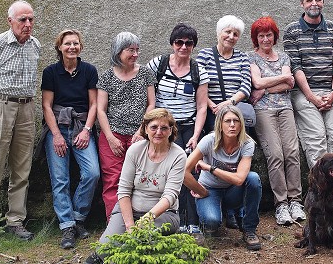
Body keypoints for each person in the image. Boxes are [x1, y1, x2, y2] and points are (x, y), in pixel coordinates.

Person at [84, 108, 187, 264]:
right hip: (128, 210)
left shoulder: (178, 155)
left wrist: (146, 220)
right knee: (105, 249)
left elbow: (170, 196)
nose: (158, 132)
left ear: (171, 130)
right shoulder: (135, 150)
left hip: (163, 215)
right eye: (154, 127)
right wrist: (130, 225)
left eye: (164, 128)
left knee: (134, 248)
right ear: (146, 128)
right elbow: (123, 190)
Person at [282, 0, 333, 214]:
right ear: (302, 4)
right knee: (317, 139)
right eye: (310, 0)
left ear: (323, 2)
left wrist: (332, 94)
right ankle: (320, 191)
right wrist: (312, 96)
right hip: (305, 93)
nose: (314, 3)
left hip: (331, 92)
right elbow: (296, 66)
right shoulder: (292, 31)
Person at [0, 0, 40, 241]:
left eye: (31, 19)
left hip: (26, 108)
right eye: (22, 19)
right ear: (10, 20)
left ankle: (15, 221)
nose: (27, 24)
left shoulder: (35, 45)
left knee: (21, 169)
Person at [147, 23, 209, 236]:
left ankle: (191, 221)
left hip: (188, 126)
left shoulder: (198, 69)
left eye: (188, 43)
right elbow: (149, 97)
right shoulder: (158, 64)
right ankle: (177, 220)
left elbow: (201, 106)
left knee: (188, 171)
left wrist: (195, 135)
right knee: (174, 171)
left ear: (193, 46)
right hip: (164, 127)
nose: (183, 47)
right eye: (179, 42)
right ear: (172, 44)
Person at [40, 30, 100, 249]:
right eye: (67, 44)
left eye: (75, 43)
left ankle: (78, 217)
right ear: (60, 47)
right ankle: (67, 226)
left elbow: (94, 104)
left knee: (92, 173)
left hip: (80, 127)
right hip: (57, 127)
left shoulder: (89, 71)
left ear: (80, 47)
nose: (72, 47)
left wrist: (86, 130)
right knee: (60, 179)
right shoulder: (51, 72)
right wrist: (56, 135)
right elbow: (46, 105)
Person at [247, 16, 305, 226]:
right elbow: (257, 81)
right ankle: (281, 203)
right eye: (261, 35)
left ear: (274, 36)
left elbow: (289, 84)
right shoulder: (251, 58)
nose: (265, 39)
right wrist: (274, 81)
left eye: (269, 35)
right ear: (256, 38)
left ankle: (295, 201)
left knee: (292, 153)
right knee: (275, 155)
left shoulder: (283, 58)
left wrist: (263, 89)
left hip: (285, 108)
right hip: (263, 111)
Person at [196, 15, 251, 229]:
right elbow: (199, 81)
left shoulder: (242, 58)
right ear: (219, 32)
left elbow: (246, 86)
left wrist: (228, 104)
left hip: (233, 110)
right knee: (216, 148)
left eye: (235, 34)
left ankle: (234, 205)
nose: (231, 36)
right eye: (227, 32)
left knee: (237, 148)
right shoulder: (205, 55)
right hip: (211, 109)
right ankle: (216, 197)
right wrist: (212, 105)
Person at [184, 106, 263, 251]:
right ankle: (212, 217)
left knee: (253, 178)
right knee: (212, 221)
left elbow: (240, 179)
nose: (232, 125)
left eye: (236, 121)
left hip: (233, 190)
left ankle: (249, 229)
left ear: (241, 124)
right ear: (220, 124)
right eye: (227, 121)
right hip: (210, 189)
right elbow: (184, 171)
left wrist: (210, 168)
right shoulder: (209, 140)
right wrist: (199, 190)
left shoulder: (247, 143)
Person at [97, 31, 156, 218]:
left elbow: (151, 104)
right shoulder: (106, 77)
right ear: (118, 51)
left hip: (139, 135)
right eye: (131, 50)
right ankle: (115, 225)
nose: (136, 54)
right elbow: (100, 110)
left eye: (137, 50)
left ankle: (139, 223)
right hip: (112, 136)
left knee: (140, 179)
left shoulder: (146, 73)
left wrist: (141, 131)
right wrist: (110, 138)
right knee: (113, 180)